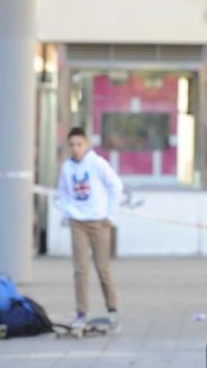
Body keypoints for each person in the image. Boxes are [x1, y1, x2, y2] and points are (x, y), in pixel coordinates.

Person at [57, 127, 124, 333]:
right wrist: (67, 212)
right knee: (80, 269)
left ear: (86, 144)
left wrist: (110, 215)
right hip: (78, 222)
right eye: (72, 145)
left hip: (99, 222)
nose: (75, 149)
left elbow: (116, 186)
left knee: (102, 268)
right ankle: (81, 313)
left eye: (79, 144)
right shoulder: (67, 168)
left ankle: (112, 310)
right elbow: (63, 193)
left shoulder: (97, 163)